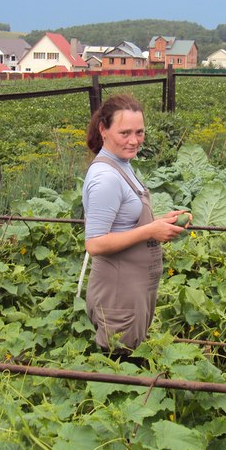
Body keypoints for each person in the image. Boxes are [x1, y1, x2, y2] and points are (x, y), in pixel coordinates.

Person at [82, 94, 190, 356]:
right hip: (118, 295)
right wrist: (150, 230)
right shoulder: (105, 177)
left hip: (133, 292)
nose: (134, 140)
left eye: (139, 132)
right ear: (103, 130)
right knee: (118, 368)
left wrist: (161, 222)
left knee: (129, 361)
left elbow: (124, 223)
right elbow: (95, 244)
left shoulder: (122, 164)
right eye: (125, 132)